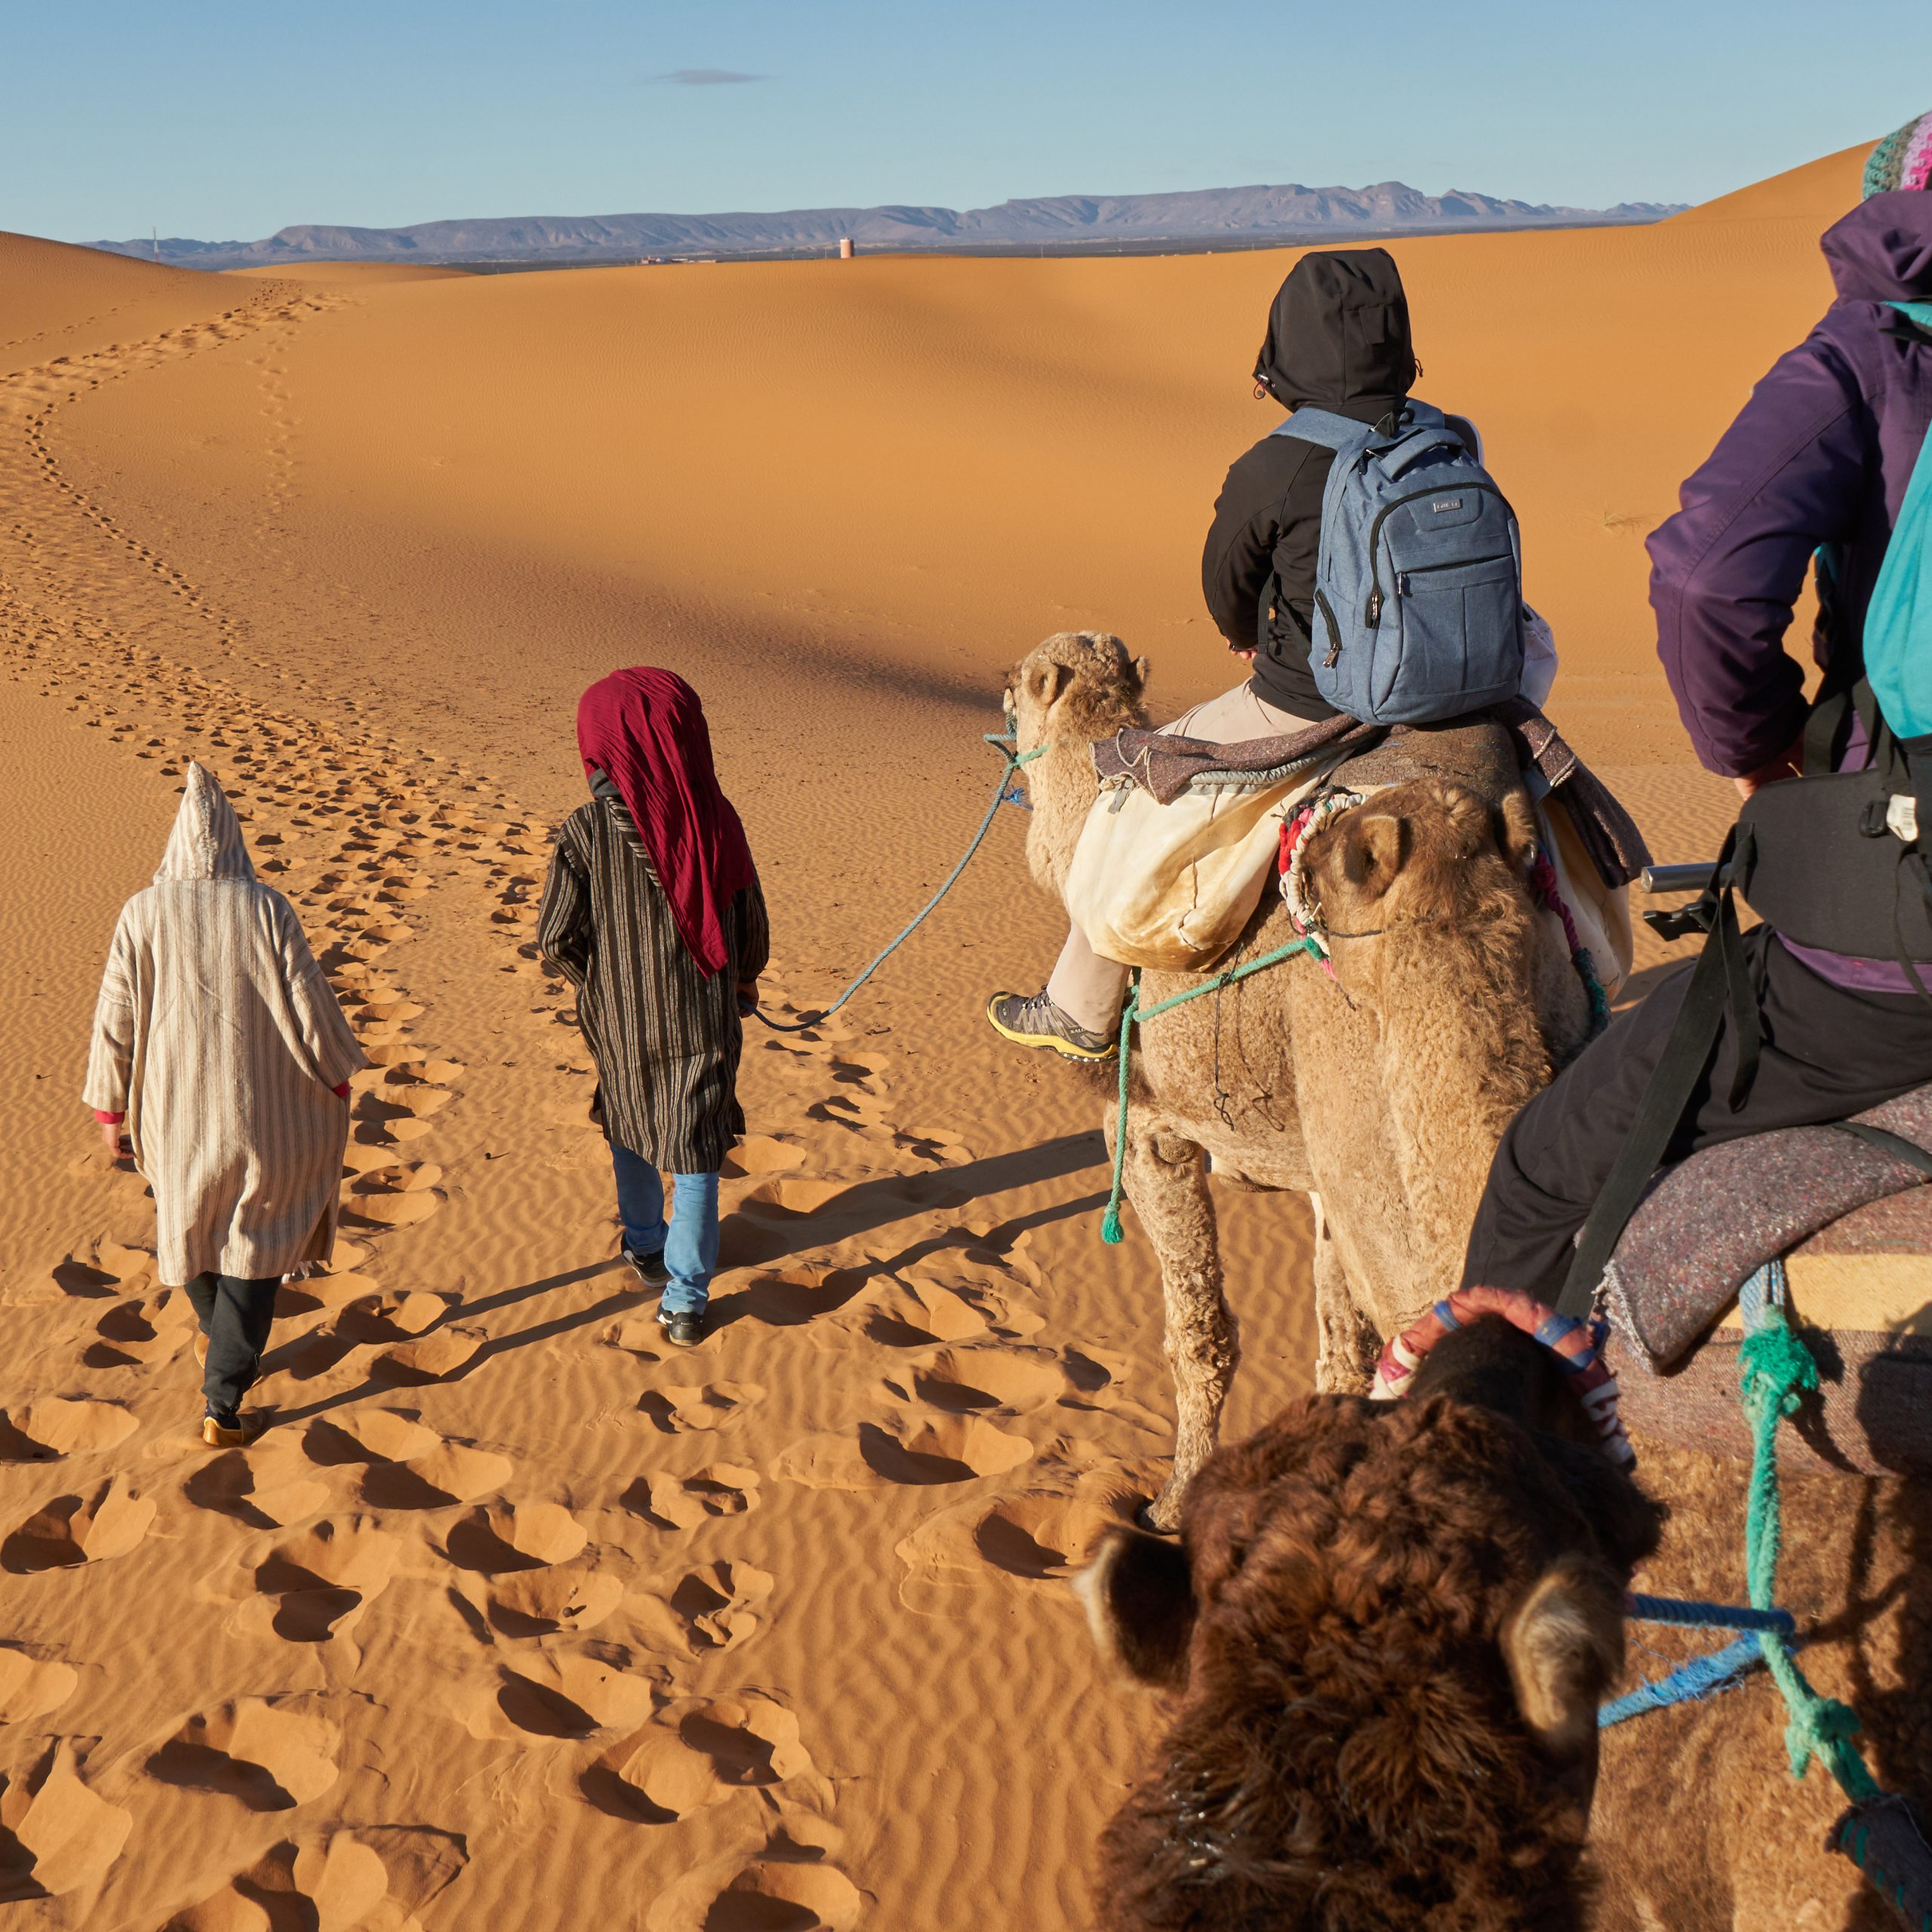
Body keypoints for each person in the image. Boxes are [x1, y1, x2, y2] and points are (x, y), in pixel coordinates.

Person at [1461, 115, 1932, 1300]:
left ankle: (1488, 1426)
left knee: (1535, 1173)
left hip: (1896, 950)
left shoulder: (1870, 348)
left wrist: (1759, 742)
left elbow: (1711, 570)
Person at [987, 248, 1479, 1060]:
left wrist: (1250, 634)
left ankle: (1077, 1008)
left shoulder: (1275, 464)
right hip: (1464, 690)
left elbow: (1226, 589)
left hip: (1316, 701)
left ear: (1288, 345)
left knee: (1129, 800)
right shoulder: (1448, 437)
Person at [85, 762, 367, 1446]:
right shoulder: (266, 906)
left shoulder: (142, 912)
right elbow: (308, 1001)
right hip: (264, 1115)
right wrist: (335, 1078)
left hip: (171, 1115)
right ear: (236, 838)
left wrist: (110, 1109)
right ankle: (224, 1399)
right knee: (257, 1240)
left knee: (191, 1224)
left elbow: (114, 1016)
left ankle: (224, 1346)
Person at [537, 668, 769, 1346]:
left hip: (620, 1026)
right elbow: (748, 926)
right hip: (703, 1019)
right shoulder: (716, 820)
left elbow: (555, 940)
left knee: (630, 1124)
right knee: (696, 1154)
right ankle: (685, 1302)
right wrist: (744, 981)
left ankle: (644, 1246)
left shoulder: (584, 830)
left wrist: (602, 984)